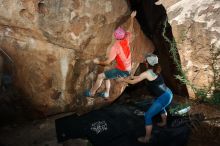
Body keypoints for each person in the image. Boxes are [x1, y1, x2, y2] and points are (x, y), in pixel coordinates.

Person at [120, 54, 173, 143]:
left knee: (148, 115)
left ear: (147, 63)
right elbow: (141, 77)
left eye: (145, 60)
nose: (144, 61)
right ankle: (164, 122)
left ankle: (147, 138)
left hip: (163, 97)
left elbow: (133, 83)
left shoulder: (147, 73)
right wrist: (132, 76)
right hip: (168, 93)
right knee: (162, 107)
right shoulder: (156, 69)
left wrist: (123, 80)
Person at [84, 11, 137, 99]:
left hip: (123, 71)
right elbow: (130, 29)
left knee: (100, 76)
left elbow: (108, 62)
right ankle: (106, 94)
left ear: (116, 37)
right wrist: (132, 17)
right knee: (107, 74)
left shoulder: (116, 47)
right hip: (127, 68)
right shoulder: (126, 39)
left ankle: (91, 93)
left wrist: (98, 62)